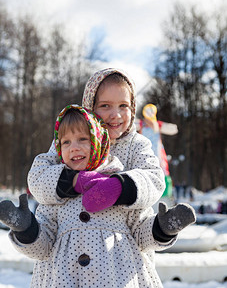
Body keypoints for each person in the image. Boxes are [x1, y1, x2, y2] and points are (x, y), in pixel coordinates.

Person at [0, 105, 196, 287]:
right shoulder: (55, 197)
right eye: (65, 142)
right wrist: (26, 229)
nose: (73, 147)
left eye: (82, 139)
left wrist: (162, 228)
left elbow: (141, 234)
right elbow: (43, 247)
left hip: (116, 279)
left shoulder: (119, 188)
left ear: (99, 141)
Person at [27, 68, 166, 210]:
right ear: (90, 108)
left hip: (118, 226)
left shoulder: (137, 144)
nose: (116, 115)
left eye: (123, 106)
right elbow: (37, 176)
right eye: (105, 105)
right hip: (67, 224)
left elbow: (154, 179)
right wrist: (74, 181)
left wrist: (119, 187)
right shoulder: (70, 139)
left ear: (132, 108)